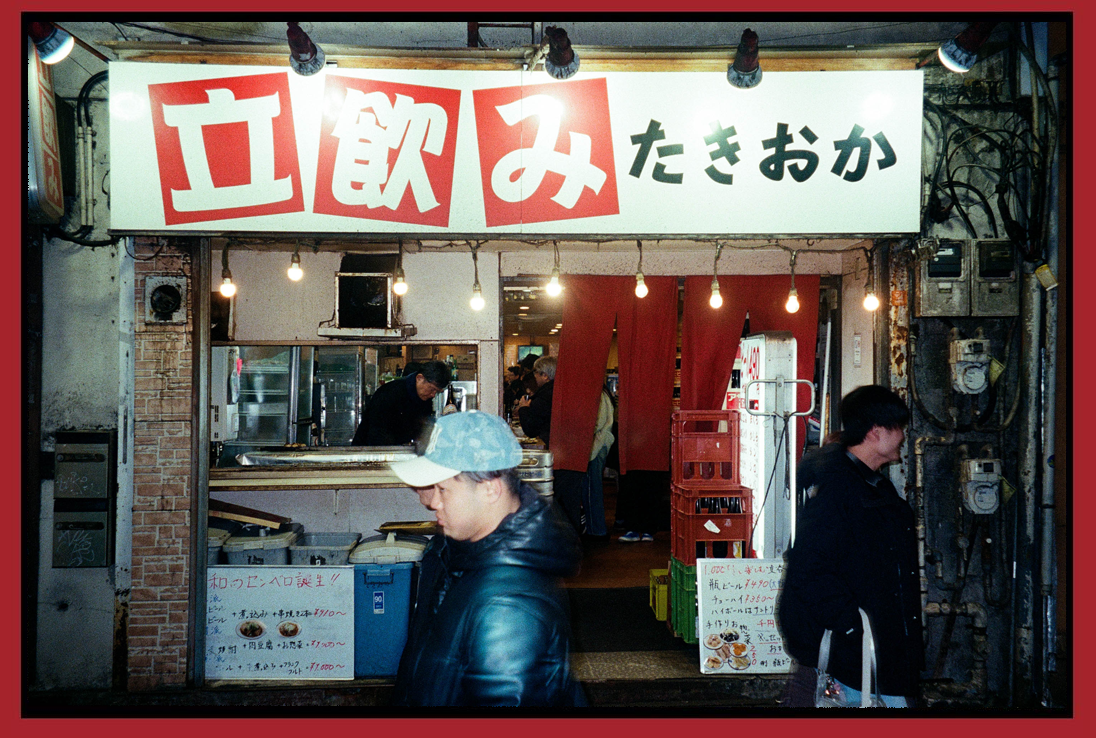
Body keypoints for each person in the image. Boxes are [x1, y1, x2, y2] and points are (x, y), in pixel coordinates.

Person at [388, 411, 587, 707]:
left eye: (443, 489)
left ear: (490, 489)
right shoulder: (462, 552)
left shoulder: (508, 607)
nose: (433, 502)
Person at [776, 384, 920, 708]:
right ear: (876, 432)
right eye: (899, 428)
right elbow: (809, 570)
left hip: (870, 654)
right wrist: (853, 627)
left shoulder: (869, 484)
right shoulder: (840, 491)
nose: (903, 436)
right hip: (853, 660)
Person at [351, 360, 450, 446]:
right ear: (419, 378)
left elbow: (422, 430)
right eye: (432, 389)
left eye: (436, 392)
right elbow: (377, 435)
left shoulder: (425, 399)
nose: (433, 395)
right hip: (369, 453)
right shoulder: (389, 393)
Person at [580, 385, 615, 539]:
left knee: (591, 489)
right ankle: (596, 527)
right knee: (593, 488)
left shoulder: (599, 395)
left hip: (596, 446)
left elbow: (597, 423)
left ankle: (596, 529)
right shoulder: (603, 393)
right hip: (598, 445)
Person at [515, 355, 555, 445]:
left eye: (536, 372)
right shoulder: (555, 391)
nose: (535, 376)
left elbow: (531, 430)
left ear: (545, 376)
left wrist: (523, 408)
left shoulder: (544, 397)